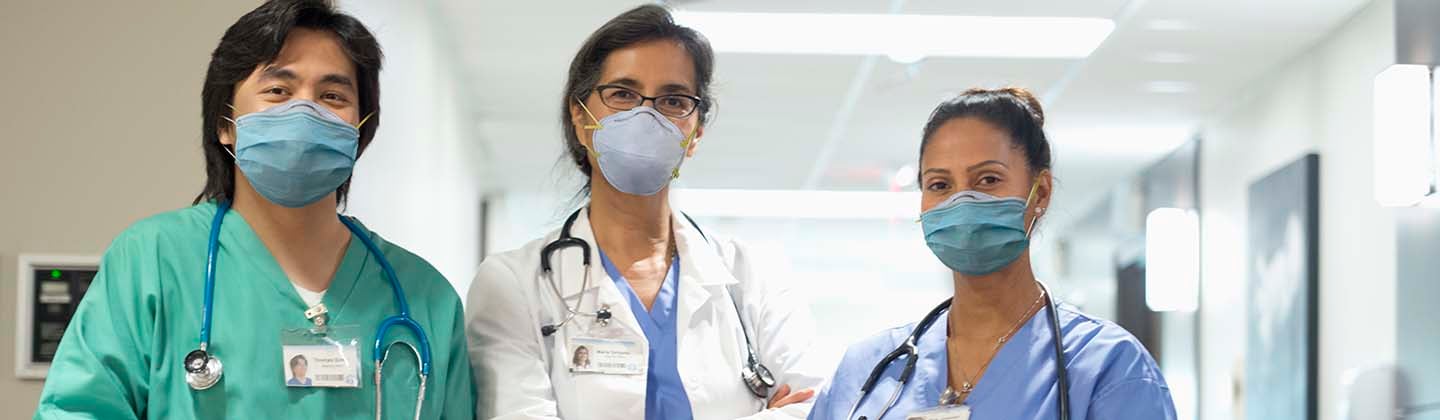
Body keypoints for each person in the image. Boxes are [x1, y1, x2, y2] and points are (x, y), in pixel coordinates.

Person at [33, 1, 475, 418]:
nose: (305, 110)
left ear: (360, 130)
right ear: (226, 123)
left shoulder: (426, 297)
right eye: (278, 90)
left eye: (333, 97)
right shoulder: (153, 261)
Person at [465, 5, 824, 420]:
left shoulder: (754, 275)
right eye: (622, 94)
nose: (646, 115)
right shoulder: (514, 285)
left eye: (673, 100)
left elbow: (815, 408)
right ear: (580, 117)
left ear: (695, 134)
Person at [807, 88, 1177, 420]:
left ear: (1041, 193)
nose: (962, 201)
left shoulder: (1105, 368)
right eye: (940, 185)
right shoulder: (867, 371)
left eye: (988, 180)